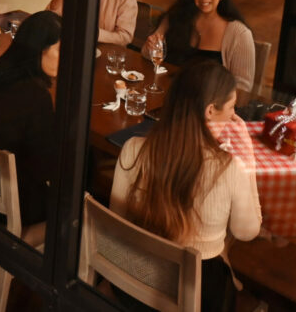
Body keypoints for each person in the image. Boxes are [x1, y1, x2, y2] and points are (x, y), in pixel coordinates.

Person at [111, 60, 262, 312]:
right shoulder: (230, 168)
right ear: (210, 111)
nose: (235, 117)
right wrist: (248, 160)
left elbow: (117, 220)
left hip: (131, 279)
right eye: (232, 108)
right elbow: (246, 232)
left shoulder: (133, 150)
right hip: (194, 296)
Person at [0, 11, 61, 227]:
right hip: (7, 204)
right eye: (60, 50)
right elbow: (44, 168)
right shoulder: (36, 97)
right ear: (39, 51)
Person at [147, 0, 255, 95]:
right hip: (170, 94)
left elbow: (243, 88)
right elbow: (148, 54)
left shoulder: (239, 33)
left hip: (211, 104)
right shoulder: (176, 17)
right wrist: (151, 46)